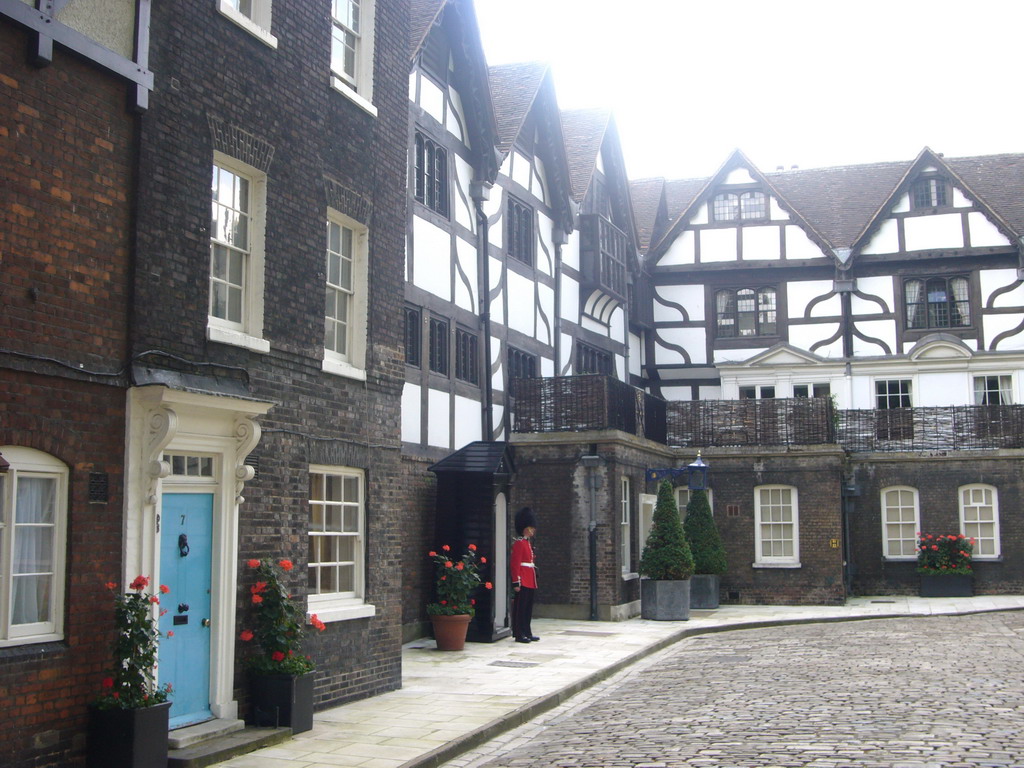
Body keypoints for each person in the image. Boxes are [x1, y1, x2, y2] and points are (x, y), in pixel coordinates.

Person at [511, 506, 539, 643]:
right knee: (520, 608)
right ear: (525, 528)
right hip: (523, 579)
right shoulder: (519, 544)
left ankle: (527, 631)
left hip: (530, 578)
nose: (533, 531)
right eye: (531, 528)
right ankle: (518, 633)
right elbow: (515, 564)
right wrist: (516, 581)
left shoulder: (527, 544)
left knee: (528, 608)